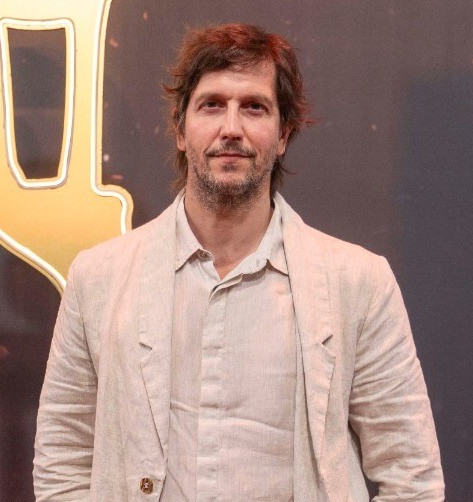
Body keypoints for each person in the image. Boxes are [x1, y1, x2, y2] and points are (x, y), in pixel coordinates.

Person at [33, 23, 444, 501]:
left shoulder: (358, 284)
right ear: (180, 129)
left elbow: (412, 476)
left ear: (283, 133)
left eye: (254, 107)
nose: (231, 128)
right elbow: (62, 464)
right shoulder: (98, 279)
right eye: (212, 105)